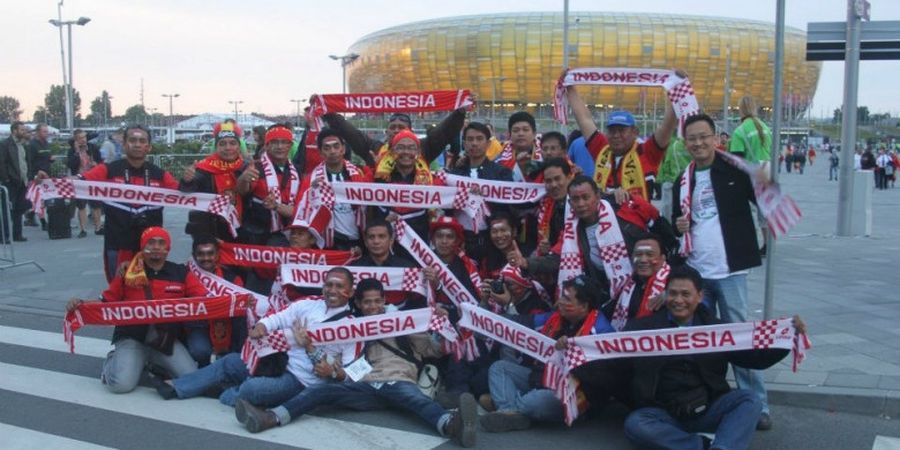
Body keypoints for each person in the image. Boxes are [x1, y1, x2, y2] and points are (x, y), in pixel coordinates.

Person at [234, 278, 479, 447]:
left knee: (415, 399)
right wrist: (320, 358)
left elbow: (437, 350)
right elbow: (340, 367)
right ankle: (271, 418)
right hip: (364, 386)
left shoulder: (405, 323)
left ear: (384, 301)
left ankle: (450, 425)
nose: (373, 306)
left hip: (397, 380)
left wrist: (445, 327)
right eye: (367, 302)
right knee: (319, 392)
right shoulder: (350, 330)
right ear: (359, 305)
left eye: (377, 301)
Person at [621, 266, 806, 450]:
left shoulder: (717, 330)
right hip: (664, 413)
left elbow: (754, 359)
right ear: (665, 295)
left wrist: (784, 338)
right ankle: (702, 445)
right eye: (673, 294)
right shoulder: (642, 329)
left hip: (708, 408)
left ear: (700, 297)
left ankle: (722, 447)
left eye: (686, 294)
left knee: (750, 400)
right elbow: (616, 361)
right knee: (636, 424)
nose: (678, 300)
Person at [673, 113, 773, 430]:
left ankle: (757, 404)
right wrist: (679, 225)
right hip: (696, 275)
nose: (699, 143)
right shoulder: (683, 179)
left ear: (716, 138)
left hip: (730, 271)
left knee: (740, 340)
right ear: (685, 143)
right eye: (692, 138)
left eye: (704, 136)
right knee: (700, 344)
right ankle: (709, 399)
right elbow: (678, 221)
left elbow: (766, 196)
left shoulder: (735, 169)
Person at [154, 267, 360, 409]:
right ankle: (179, 387)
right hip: (276, 361)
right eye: (328, 285)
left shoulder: (354, 327)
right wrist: (261, 326)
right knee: (230, 362)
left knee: (251, 389)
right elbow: (279, 317)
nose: (332, 290)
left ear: (350, 292)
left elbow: (353, 373)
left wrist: (334, 374)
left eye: (339, 286)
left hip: (300, 380)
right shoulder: (308, 303)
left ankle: (225, 391)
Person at [65, 227, 208, 393]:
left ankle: (150, 363)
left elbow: (204, 301)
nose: (156, 247)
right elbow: (105, 302)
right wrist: (80, 304)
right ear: (143, 247)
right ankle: (113, 360)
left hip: (164, 340)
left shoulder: (181, 273)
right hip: (132, 337)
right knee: (121, 385)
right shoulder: (128, 272)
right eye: (151, 243)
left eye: (161, 243)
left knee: (191, 378)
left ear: (167, 248)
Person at [481, 275, 614, 432]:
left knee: (533, 401)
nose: (560, 301)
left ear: (584, 306)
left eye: (567, 299)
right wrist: (484, 316)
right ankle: (510, 412)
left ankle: (507, 406)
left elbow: (604, 378)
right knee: (499, 368)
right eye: (562, 295)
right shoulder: (555, 317)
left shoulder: (601, 332)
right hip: (544, 379)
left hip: (575, 394)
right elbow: (521, 323)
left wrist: (572, 351)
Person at [67, 125, 180, 281]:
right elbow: (78, 182)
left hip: (151, 247)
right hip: (117, 244)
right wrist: (46, 183)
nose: (137, 144)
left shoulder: (159, 175)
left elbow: (187, 195)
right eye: (132, 140)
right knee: (119, 292)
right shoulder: (108, 170)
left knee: (150, 293)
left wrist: (191, 181)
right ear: (124, 144)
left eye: (142, 141)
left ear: (149, 147)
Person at [565, 73, 679, 201]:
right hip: (604, 218)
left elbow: (667, 126)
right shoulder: (602, 149)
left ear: (635, 132)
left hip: (637, 219)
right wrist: (569, 86)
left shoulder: (647, 152)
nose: (616, 135)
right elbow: (584, 118)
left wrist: (677, 86)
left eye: (622, 130)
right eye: (612, 131)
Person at [299, 127, 372, 250]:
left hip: (357, 241)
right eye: (327, 148)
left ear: (343, 149)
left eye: (336, 146)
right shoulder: (311, 179)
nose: (332, 151)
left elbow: (373, 201)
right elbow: (301, 210)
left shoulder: (359, 173)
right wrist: (312, 193)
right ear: (321, 153)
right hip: (327, 243)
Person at [450, 121, 513, 263]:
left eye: (479, 139)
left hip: (491, 240)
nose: (474, 143)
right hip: (461, 240)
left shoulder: (501, 173)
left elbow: (508, 206)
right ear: (464, 143)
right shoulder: (454, 175)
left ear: (488, 143)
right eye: (470, 139)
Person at [180, 122, 248, 241]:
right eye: (222, 144)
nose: (228, 148)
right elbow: (187, 193)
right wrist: (187, 181)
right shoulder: (203, 168)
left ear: (239, 146)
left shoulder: (247, 168)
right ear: (216, 147)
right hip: (211, 233)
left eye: (232, 143)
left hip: (243, 232)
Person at [370, 130, 443, 241]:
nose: (406, 152)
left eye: (411, 148)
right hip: (385, 244)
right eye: (400, 147)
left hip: (418, 244)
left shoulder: (431, 180)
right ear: (393, 151)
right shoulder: (378, 176)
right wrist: (385, 222)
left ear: (418, 151)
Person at [236, 124, 300, 245]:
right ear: (267, 145)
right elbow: (242, 192)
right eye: (274, 142)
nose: (280, 146)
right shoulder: (256, 167)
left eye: (284, 142)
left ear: (290, 145)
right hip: (259, 232)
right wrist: (243, 179)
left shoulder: (297, 170)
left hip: (291, 230)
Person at [190, 234, 246, 364]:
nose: (206, 258)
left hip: (229, 326)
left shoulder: (232, 279)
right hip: (200, 326)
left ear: (217, 255)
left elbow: (243, 306)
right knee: (200, 351)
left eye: (210, 253)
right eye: (201, 254)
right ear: (193, 255)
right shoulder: (185, 274)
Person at [349, 219, 420, 309]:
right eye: (371, 237)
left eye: (381, 236)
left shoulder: (407, 268)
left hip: (400, 320)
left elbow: (416, 300)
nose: (376, 241)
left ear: (391, 240)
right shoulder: (355, 268)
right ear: (366, 242)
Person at [68, 129, 104, 238]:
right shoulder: (72, 151)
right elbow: (71, 165)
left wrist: (96, 164)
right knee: (81, 205)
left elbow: (101, 163)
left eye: (84, 137)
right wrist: (76, 152)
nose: (83, 140)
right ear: (76, 140)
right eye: (80, 138)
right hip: (79, 179)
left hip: (93, 178)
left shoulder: (93, 148)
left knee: (96, 205)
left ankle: (98, 227)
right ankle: (83, 229)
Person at [0, 121, 32, 242]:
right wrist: (6, 178)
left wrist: (29, 176)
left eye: (24, 130)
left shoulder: (23, 145)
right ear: (14, 131)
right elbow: (2, 163)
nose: (24, 132)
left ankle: (17, 234)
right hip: (11, 181)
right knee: (6, 209)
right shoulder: (5, 144)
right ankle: (4, 236)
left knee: (19, 209)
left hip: (22, 180)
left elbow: (26, 162)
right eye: (22, 130)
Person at [493, 112, 543, 182]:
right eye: (516, 130)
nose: (520, 134)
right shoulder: (499, 161)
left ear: (534, 133)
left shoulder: (546, 156)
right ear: (509, 134)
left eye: (525, 130)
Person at [729, 96, 771, 168]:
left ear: (741, 110)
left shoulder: (739, 131)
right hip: (766, 172)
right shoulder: (766, 128)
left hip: (749, 174)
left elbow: (736, 160)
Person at [24, 123, 52, 229]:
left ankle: (30, 214)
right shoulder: (31, 145)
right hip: (37, 176)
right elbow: (29, 162)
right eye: (44, 131)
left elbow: (46, 157)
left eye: (47, 131)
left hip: (47, 174)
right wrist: (34, 175)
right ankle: (43, 222)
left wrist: (51, 159)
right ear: (38, 132)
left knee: (44, 198)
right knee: (38, 198)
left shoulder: (46, 143)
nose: (47, 133)